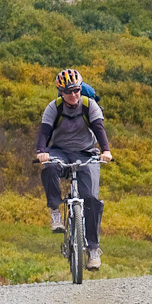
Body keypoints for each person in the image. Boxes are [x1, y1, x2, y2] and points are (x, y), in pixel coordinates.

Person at [35, 68, 113, 270]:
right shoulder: (54, 107)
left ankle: (93, 250)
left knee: (91, 201)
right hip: (60, 151)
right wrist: (41, 151)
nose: (73, 95)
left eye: (77, 90)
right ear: (61, 92)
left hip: (86, 153)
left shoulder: (90, 106)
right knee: (49, 167)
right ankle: (55, 210)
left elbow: (98, 128)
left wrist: (106, 150)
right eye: (69, 91)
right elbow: (44, 132)